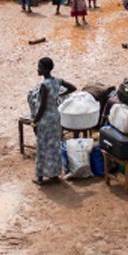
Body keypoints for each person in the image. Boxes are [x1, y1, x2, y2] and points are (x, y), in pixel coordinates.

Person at [30, 57, 77, 185]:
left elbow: (42, 106)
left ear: (46, 69)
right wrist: (59, 95)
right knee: (54, 145)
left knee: (42, 146)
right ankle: (55, 175)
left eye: (40, 67)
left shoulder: (44, 85)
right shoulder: (58, 81)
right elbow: (73, 87)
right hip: (55, 117)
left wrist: (35, 120)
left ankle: (40, 177)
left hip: (45, 119)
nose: (38, 69)